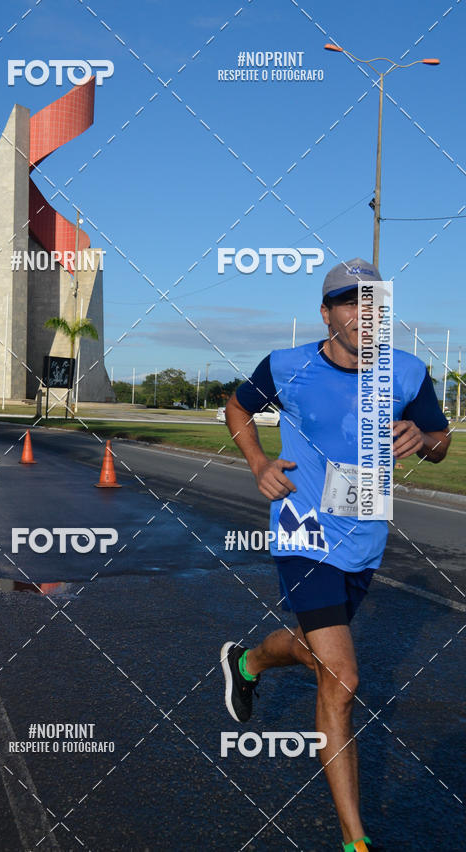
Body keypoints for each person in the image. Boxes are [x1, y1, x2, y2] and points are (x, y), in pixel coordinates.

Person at [221, 257, 450, 852]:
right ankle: (355, 841)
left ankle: (247, 663)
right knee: (342, 678)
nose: (363, 314)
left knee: (319, 655)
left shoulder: (407, 372)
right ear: (326, 314)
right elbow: (237, 407)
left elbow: (441, 441)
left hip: (366, 540)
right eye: (350, 302)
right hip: (303, 532)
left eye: (374, 304)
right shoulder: (286, 366)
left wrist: (425, 439)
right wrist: (258, 463)